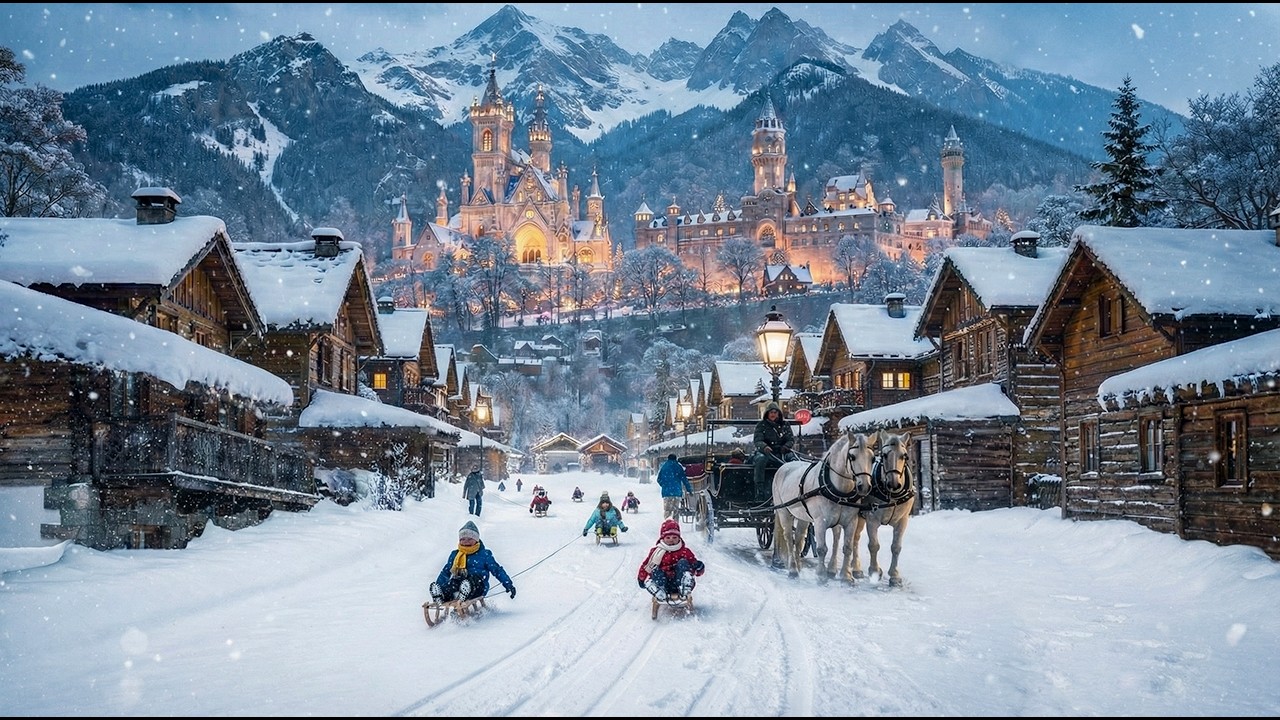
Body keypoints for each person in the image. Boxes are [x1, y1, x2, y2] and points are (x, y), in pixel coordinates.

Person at [429, 520, 516, 604]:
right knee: (452, 584)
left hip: (479, 586)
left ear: (476, 540)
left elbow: (497, 570)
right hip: (459, 584)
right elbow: (445, 572)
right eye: (463, 539)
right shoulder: (455, 554)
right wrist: (439, 585)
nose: (466, 541)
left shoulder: (484, 554)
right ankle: (441, 595)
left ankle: (464, 591)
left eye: (470, 539)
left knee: (472, 581)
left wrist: (508, 584)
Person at [637, 518, 705, 601]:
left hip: (679, 582)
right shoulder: (656, 552)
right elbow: (646, 565)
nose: (671, 540)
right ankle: (657, 589)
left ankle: (685, 586)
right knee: (655, 569)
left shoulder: (685, 551)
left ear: (679, 538)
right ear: (662, 538)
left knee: (683, 563)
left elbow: (695, 568)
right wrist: (641, 578)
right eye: (668, 537)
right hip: (663, 583)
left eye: (674, 537)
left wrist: (699, 567)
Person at [753, 401, 795, 498]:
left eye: (775, 412)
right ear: (767, 413)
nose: (773, 414)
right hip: (766, 453)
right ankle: (759, 489)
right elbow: (758, 440)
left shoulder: (785, 425)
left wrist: (786, 447)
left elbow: (791, 440)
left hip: (781, 452)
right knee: (760, 460)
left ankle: (792, 485)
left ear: (778, 414)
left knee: (793, 460)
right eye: (771, 412)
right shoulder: (761, 425)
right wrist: (764, 447)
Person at [657, 453, 693, 518]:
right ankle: (675, 523)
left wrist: (664, 485)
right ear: (675, 459)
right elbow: (684, 479)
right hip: (677, 492)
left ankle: (667, 522)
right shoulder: (678, 467)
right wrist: (689, 489)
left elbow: (659, 479)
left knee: (667, 510)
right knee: (676, 511)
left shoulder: (664, 467)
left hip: (667, 493)